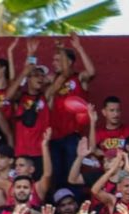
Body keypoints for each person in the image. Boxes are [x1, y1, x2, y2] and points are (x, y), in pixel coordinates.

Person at [49, 32, 96, 187]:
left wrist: (78, 47)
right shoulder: (53, 80)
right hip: (54, 136)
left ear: (69, 62)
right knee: (56, 176)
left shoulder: (79, 78)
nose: (54, 63)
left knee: (72, 174)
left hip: (72, 136)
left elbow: (91, 72)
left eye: (58, 60)